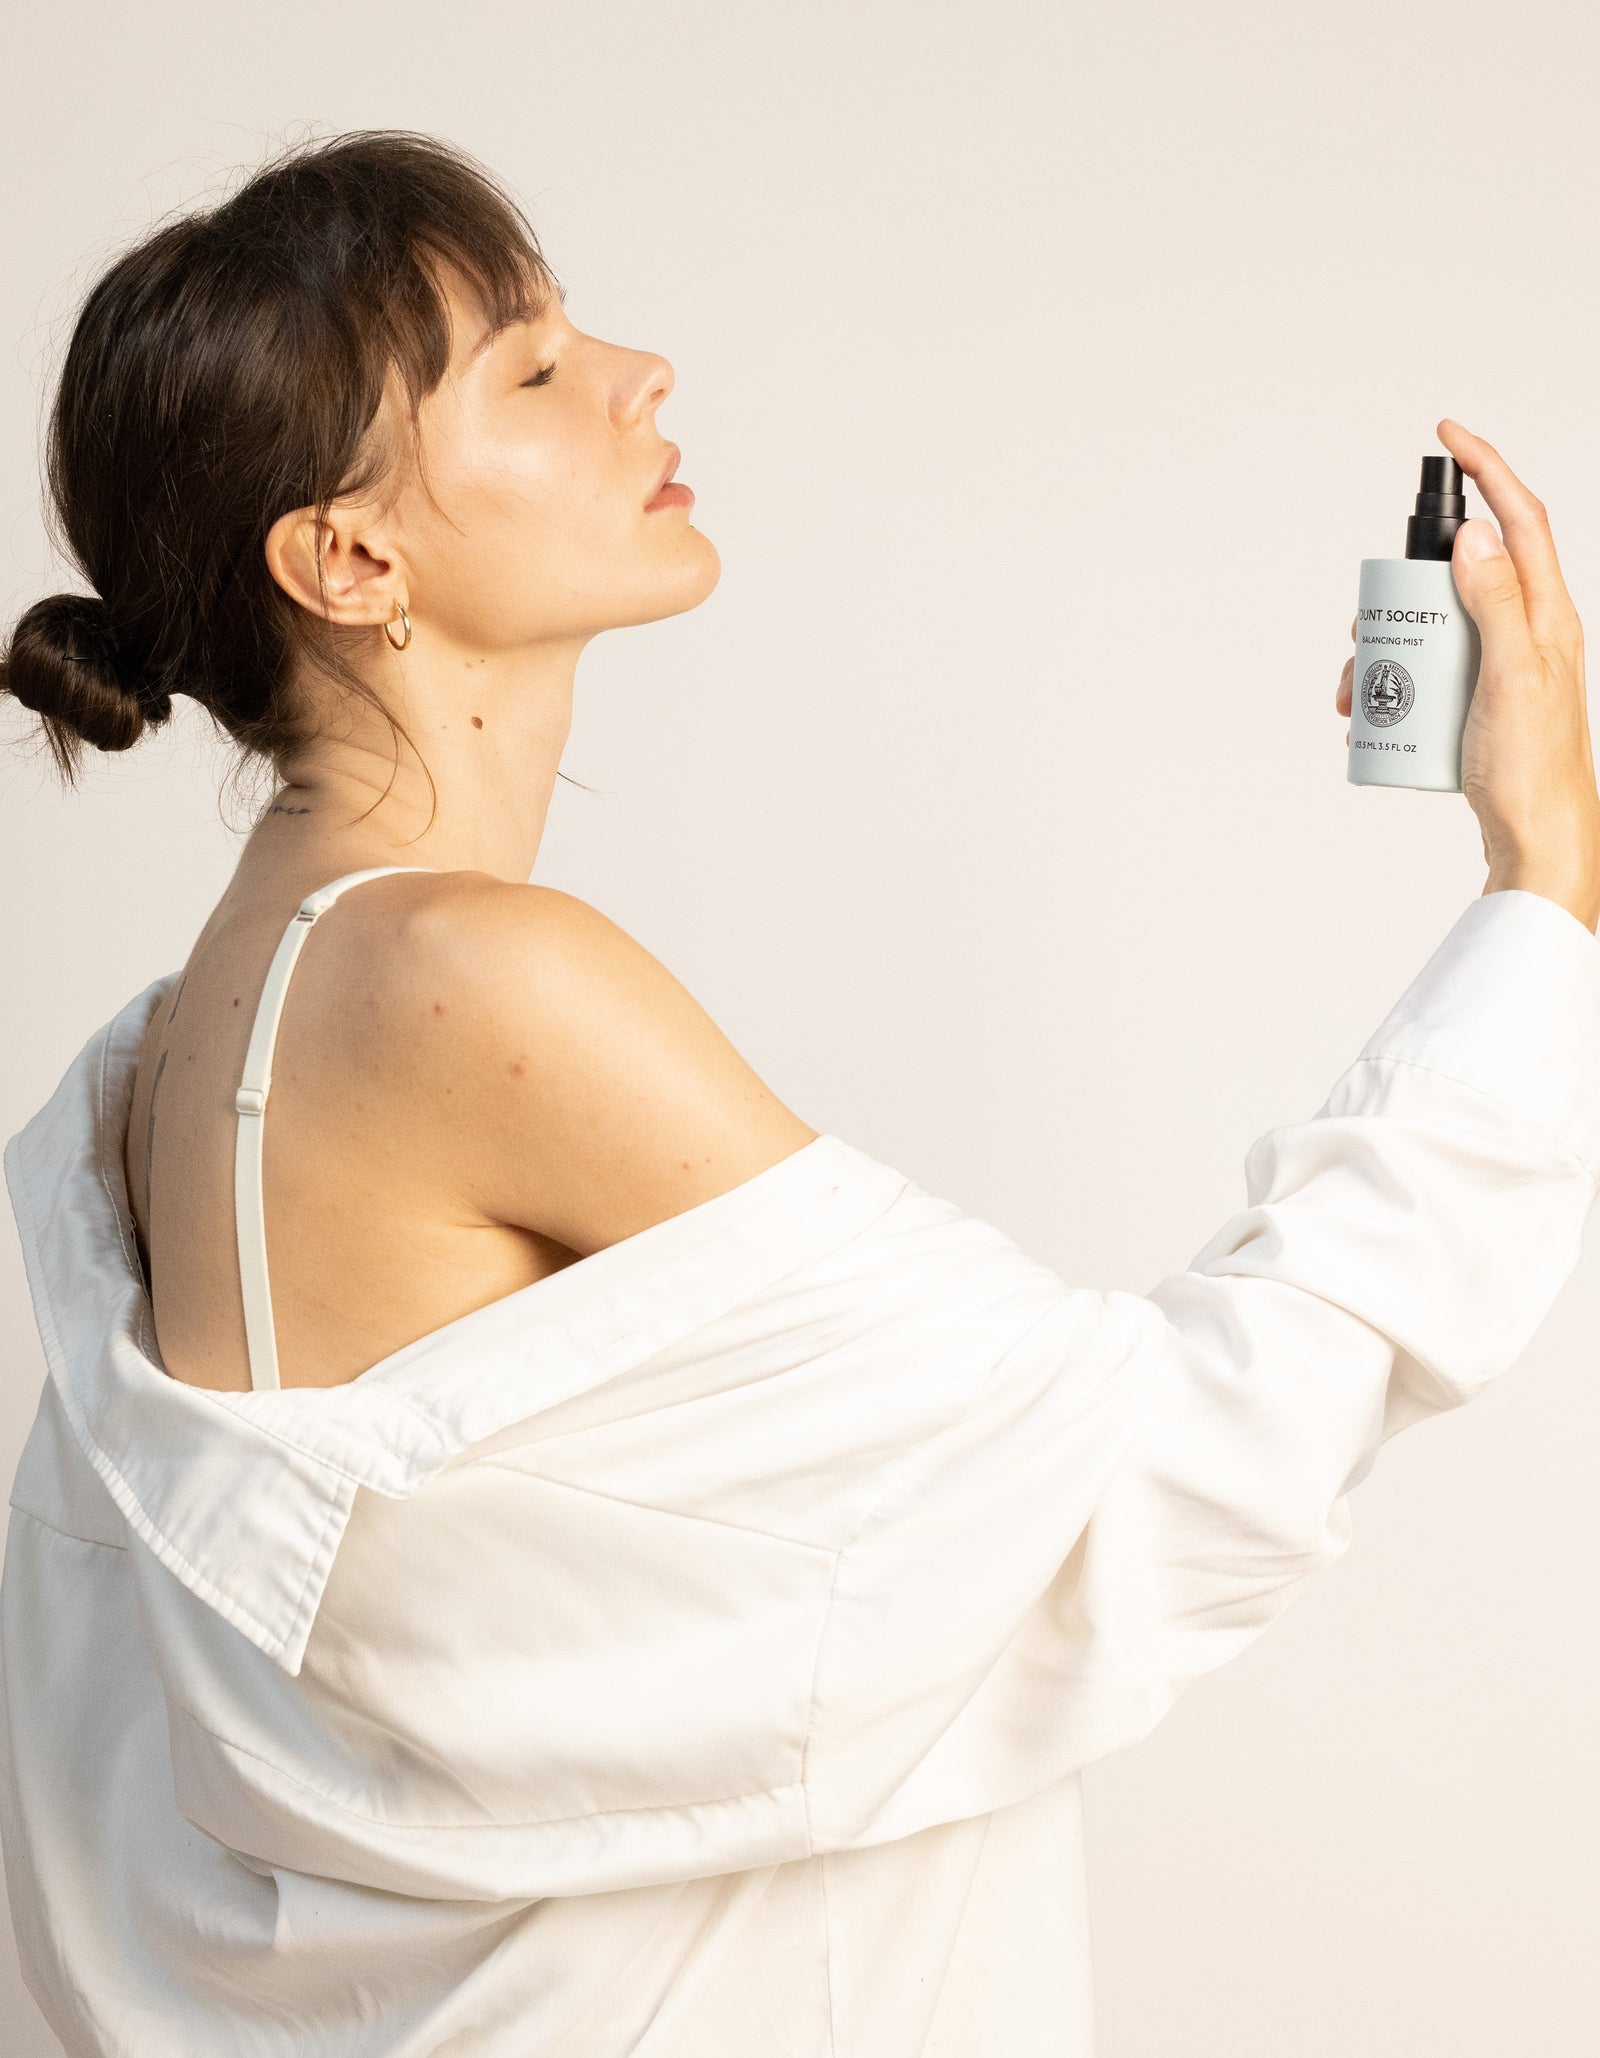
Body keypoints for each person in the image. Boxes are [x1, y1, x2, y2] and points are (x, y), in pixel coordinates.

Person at [1, 128, 1597, 2058]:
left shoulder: (202, 1028)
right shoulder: (453, 974)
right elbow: (1158, 1471)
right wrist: (1545, 887)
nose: (638, 374)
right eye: (529, 367)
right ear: (350, 557)